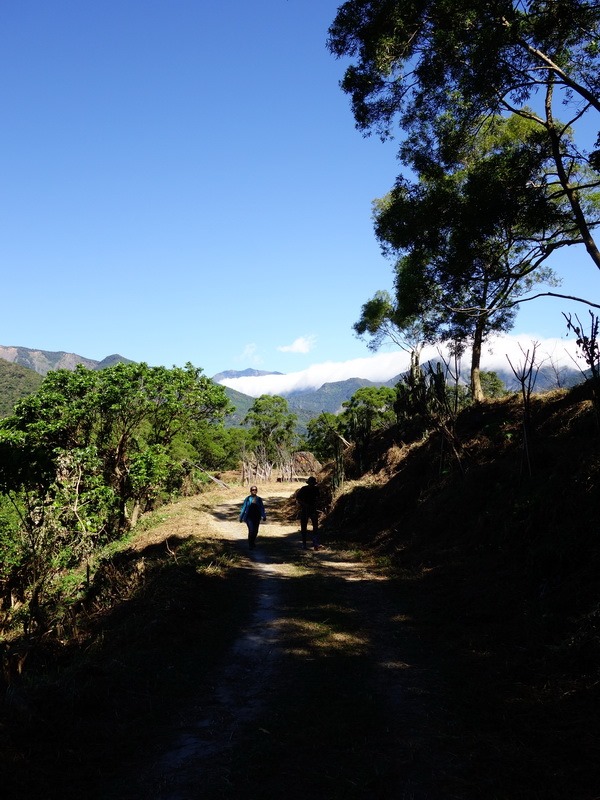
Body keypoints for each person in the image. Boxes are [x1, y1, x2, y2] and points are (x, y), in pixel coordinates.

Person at [296, 476, 321, 550]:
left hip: (313, 509)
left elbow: (318, 498)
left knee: (315, 526)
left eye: (313, 483)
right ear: (309, 483)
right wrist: (304, 504)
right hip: (305, 509)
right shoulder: (304, 489)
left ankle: (315, 543)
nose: (312, 484)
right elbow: (298, 498)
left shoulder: (316, 489)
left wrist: (316, 504)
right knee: (304, 527)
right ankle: (304, 544)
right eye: (311, 483)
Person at [239, 485, 266, 549]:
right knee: (251, 530)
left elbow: (262, 508)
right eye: (253, 490)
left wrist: (264, 516)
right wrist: (241, 517)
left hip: (257, 517)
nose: (254, 491)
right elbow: (244, 508)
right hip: (249, 517)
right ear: (250, 491)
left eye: (255, 490)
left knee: (256, 531)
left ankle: (252, 542)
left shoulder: (259, 499)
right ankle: (250, 544)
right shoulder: (247, 499)